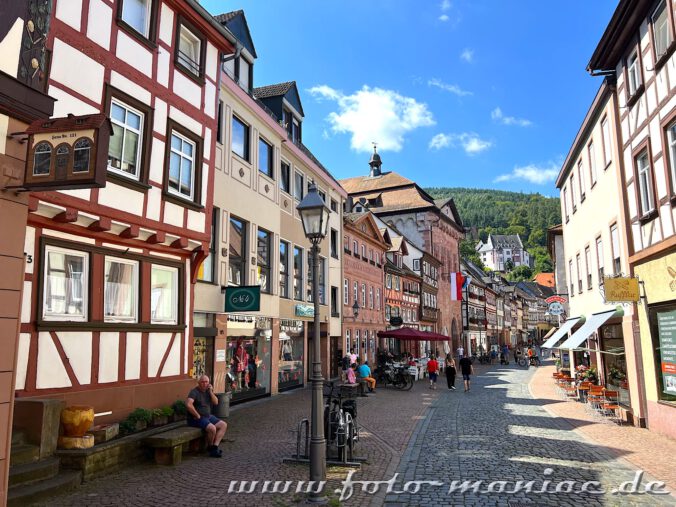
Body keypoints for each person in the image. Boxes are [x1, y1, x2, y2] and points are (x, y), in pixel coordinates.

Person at [186, 375, 228, 457]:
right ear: (198, 383)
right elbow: (188, 404)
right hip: (196, 418)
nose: (204, 384)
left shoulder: (208, 392)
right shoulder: (194, 392)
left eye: (206, 382)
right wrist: (197, 415)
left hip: (208, 416)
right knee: (212, 428)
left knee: (223, 425)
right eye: (202, 382)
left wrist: (211, 392)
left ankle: (214, 447)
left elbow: (216, 402)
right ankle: (210, 447)